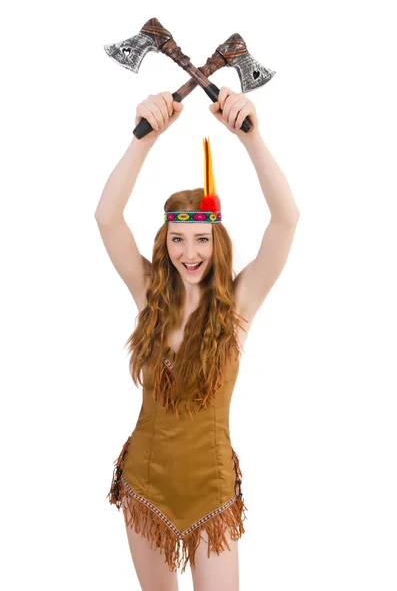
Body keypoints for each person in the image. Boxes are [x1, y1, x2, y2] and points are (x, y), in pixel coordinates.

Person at [95, 87, 300, 590]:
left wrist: (251, 138)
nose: (190, 252)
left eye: (202, 238)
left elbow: (286, 221)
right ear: (165, 243)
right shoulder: (148, 297)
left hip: (213, 491)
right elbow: (106, 218)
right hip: (146, 482)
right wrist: (145, 137)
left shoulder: (237, 307)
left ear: (217, 242)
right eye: (178, 239)